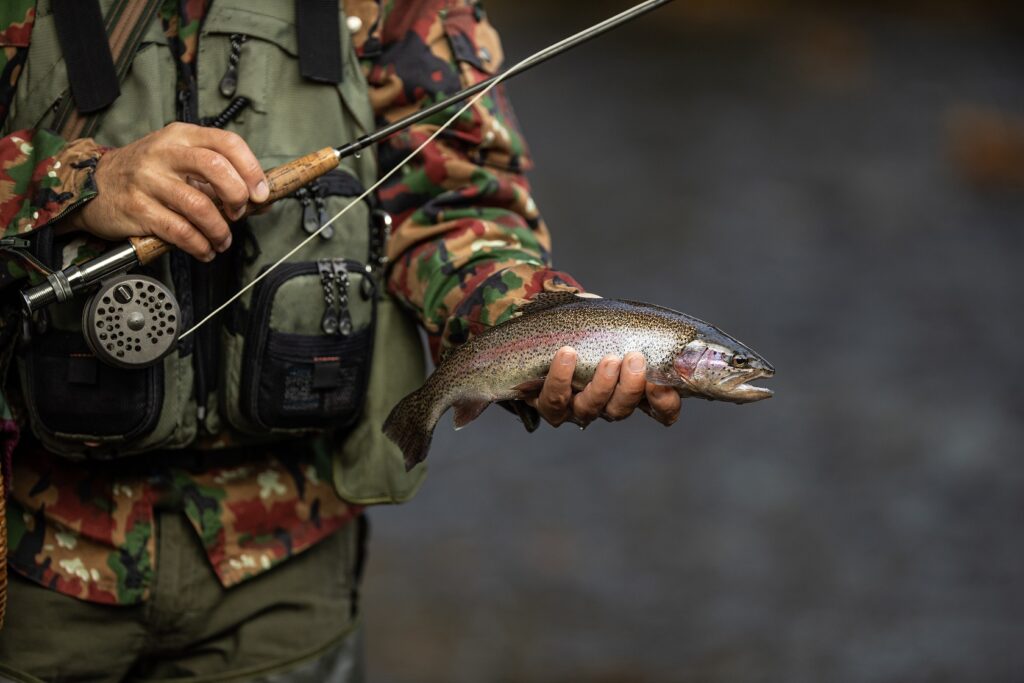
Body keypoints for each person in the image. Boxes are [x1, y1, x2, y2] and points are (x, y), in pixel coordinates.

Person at [0, 1, 680, 680]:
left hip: (286, 567)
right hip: (25, 553)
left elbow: (454, 202)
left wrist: (535, 322)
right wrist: (71, 182)